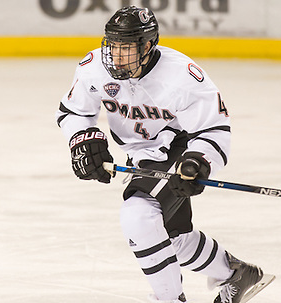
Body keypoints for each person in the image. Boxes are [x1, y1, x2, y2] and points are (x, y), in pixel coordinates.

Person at [56, 6, 265, 303]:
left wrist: (199, 162)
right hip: (140, 156)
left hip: (178, 148)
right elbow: (74, 111)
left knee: (139, 217)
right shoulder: (93, 68)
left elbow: (214, 129)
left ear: (148, 45)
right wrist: (81, 138)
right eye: (113, 46)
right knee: (171, 240)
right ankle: (236, 274)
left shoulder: (183, 76)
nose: (116, 56)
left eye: (126, 47)